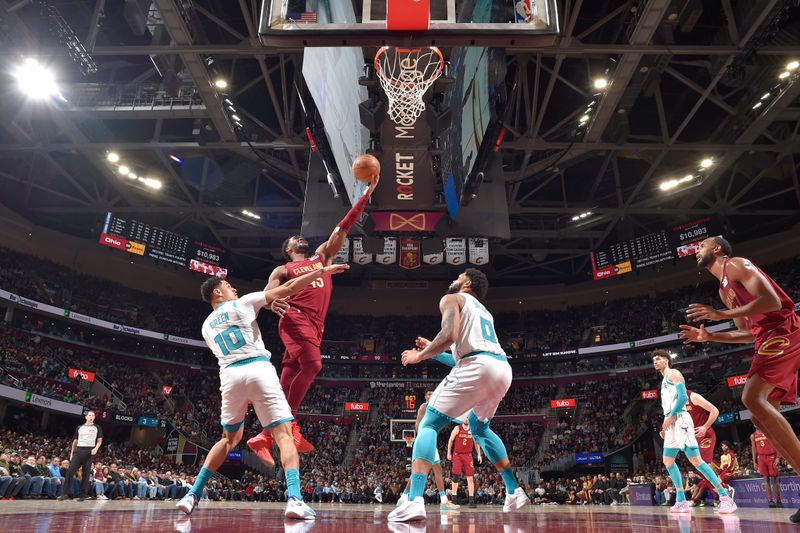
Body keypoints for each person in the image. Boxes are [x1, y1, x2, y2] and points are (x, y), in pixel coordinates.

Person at [177, 264, 348, 520]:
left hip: (230, 376)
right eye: (227, 286)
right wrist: (321, 273)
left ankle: (192, 494)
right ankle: (294, 499)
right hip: (257, 368)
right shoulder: (244, 303)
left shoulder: (206, 326)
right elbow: (288, 288)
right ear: (217, 294)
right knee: (284, 434)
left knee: (227, 439)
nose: (233, 288)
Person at [247, 175, 379, 462]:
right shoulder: (283, 270)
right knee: (314, 364)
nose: (301, 238)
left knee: (285, 385)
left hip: (315, 327)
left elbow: (343, 227)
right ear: (288, 250)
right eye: (295, 239)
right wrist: (274, 301)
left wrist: (365, 197)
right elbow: (269, 294)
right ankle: (290, 422)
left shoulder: (322, 257)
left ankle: (263, 436)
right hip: (295, 321)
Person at [388, 269, 529, 522]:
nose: (453, 279)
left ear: (467, 282)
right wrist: (432, 348)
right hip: (501, 369)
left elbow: (448, 337)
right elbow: (456, 355)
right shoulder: (483, 312)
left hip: (477, 365)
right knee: (479, 427)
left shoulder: (451, 299)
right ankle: (513, 490)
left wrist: (419, 356)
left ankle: (414, 501)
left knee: (429, 422)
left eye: (458, 275)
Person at [680, 235, 800, 522]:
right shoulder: (723, 291)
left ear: (718, 249)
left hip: (784, 329)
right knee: (757, 416)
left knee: (751, 397)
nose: (698, 250)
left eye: (702, 245)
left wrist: (720, 315)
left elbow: (771, 302)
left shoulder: (735, 264)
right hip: (766, 339)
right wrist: (710, 335)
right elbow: (749, 333)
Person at [652, 349, 736, 514]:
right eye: (653, 359)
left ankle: (725, 496)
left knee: (697, 461)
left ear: (667, 360)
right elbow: (667, 408)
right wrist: (665, 424)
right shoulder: (663, 382)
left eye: (658, 358)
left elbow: (683, 398)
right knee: (668, 461)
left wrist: (671, 418)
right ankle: (681, 501)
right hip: (672, 423)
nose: (655, 361)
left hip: (681, 420)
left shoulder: (674, 373)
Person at [397, 391, 460, 511]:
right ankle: (439, 501)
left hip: (430, 441)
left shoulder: (436, 408)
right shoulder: (424, 407)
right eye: (428, 394)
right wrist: (422, 439)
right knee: (422, 471)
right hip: (424, 442)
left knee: (434, 470)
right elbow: (417, 424)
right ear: (425, 397)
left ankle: (404, 497)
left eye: (432, 394)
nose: (431, 395)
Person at [684, 389, 721, 506]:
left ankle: (723, 492)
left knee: (703, 465)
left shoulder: (693, 397)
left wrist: (705, 427)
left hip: (705, 434)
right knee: (700, 470)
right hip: (692, 437)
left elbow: (715, 410)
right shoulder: (675, 401)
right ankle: (720, 495)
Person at [58, 410, 103, 501]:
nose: (91, 416)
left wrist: (96, 448)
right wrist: (72, 453)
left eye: (93, 415)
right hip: (78, 450)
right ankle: (65, 493)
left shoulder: (97, 427)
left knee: (86, 474)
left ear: (94, 417)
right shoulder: (80, 427)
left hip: (89, 451)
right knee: (70, 471)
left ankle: (82, 495)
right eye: (89, 415)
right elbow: (75, 441)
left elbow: (99, 440)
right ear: (86, 417)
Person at [447, 422, 482, 508]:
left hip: (468, 455)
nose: (466, 419)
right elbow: (451, 440)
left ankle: (471, 501)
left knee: (470, 478)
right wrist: (449, 453)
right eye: (465, 417)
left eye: (468, 417)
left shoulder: (473, 429)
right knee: (456, 476)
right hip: (457, 455)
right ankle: (454, 500)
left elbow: (476, 443)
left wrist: (479, 454)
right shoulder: (457, 428)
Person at [752, 429, 782, 508]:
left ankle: (778, 501)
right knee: (766, 480)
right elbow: (753, 449)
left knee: (774, 479)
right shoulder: (753, 435)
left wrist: (778, 457)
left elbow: (777, 444)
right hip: (761, 458)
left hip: (771, 456)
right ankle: (770, 501)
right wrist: (754, 461)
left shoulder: (769, 431)